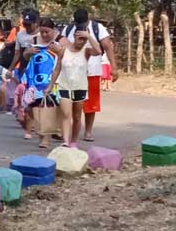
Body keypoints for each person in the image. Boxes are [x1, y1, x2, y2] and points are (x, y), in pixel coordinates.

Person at [61, 9, 118, 141]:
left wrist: (113, 68)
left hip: (92, 71)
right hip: (72, 73)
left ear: (88, 19)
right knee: (69, 103)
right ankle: (66, 132)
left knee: (90, 104)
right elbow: (62, 46)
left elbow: (107, 46)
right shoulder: (69, 29)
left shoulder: (97, 28)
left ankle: (88, 131)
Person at [48, 28, 101, 148]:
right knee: (66, 114)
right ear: (74, 37)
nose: (82, 41)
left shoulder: (86, 51)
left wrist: (89, 36)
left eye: (84, 39)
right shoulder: (64, 51)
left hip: (80, 87)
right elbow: (57, 69)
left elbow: (98, 51)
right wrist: (50, 85)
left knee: (76, 116)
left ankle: (73, 141)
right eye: (80, 38)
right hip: (64, 86)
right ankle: (66, 141)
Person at [21, 17, 61, 148]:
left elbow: (66, 57)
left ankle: (46, 139)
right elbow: (25, 57)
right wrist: (28, 52)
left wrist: (59, 52)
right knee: (35, 109)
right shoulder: (33, 40)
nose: (44, 35)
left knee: (47, 108)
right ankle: (41, 136)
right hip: (34, 80)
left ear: (53, 30)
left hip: (52, 79)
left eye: (47, 32)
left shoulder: (60, 40)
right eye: (42, 32)